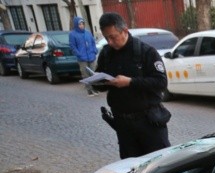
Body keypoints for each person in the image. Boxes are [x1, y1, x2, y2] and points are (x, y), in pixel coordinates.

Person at [94, 12, 171, 159]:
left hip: (149, 122)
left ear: (124, 31)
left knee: (159, 165)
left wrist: (130, 82)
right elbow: (100, 81)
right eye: (106, 38)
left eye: (113, 37)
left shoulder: (146, 52)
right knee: (131, 169)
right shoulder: (106, 53)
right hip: (123, 124)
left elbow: (161, 83)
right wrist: (98, 82)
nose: (109, 42)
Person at [69, 17, 99, 96]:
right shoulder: (72, 34)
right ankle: (89, 89)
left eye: (82, 24)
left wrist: (94, 50)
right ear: (76, 25)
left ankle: (94, 88)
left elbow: (93, 42)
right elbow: (73, 46)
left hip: (91, 56)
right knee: (85, 74)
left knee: (93, 73)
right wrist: (79, 54)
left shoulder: (88, 32)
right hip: (82, 58)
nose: (81, 25)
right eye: (79, 24)